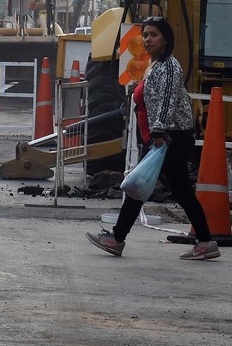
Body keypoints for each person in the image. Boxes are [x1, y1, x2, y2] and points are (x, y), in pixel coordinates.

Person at [87, 16, 219, 260]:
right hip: (166, 138)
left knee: (139, 186)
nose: (148, 40)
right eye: (145, 35)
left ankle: (117, 238)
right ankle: (205, 242)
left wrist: (158, 132)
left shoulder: (168, 66)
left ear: (166, 39)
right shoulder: (156, 66)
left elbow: (167, 100)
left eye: (154, 35)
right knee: (179, 191)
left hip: (169, 139)